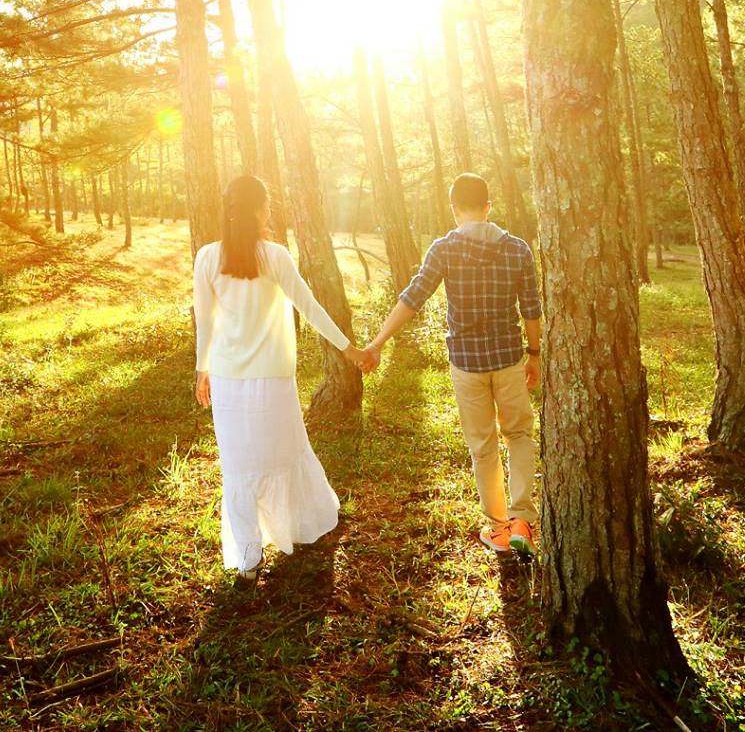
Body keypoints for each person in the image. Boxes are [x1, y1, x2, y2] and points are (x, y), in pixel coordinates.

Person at [193, 174, 372, 579]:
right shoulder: (274, 256)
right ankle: (295, 528)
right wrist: (350, 350)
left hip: (227, 378)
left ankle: (249, 560)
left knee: (239, 465)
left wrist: (202, 369)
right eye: (267, 205)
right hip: (270, 377)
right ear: (257, 210)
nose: (270, 211)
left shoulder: (207, 257)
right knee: (282, 454)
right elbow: (310, 308)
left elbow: (204, 322)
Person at [358, 172, 541, 556]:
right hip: (509, 358)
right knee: (519, 434)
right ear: (488, 207)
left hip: (467, 363)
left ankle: (499, 529)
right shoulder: (518, 250)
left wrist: (377, 343)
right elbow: (531, 309)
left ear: (455, 210)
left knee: (482, 445)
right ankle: (522, 518)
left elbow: (413, 298)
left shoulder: (444, 248)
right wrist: (536, 353)